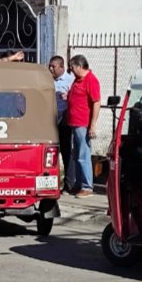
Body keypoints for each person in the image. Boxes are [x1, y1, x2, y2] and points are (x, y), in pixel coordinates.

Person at [65, 55, 101, 198]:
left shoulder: (90, 80)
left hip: (83, 124)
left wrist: (92, 125)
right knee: (77, 155)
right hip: (75, 123)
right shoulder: (77, 80)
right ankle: (79, 184)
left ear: (79, 66)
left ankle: (87, 186)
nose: (71, 71)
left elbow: (96, 102)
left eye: (72, 67)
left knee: (83, 155)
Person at [49, 55, 74, 175]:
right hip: (50, 120)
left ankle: (69, 182)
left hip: (64, 120)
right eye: (50, 66)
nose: (51, 69)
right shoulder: (48, 80)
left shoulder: (70, 81)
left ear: (61, 67)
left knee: (66, 150)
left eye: (53, 66)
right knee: (51, 151)